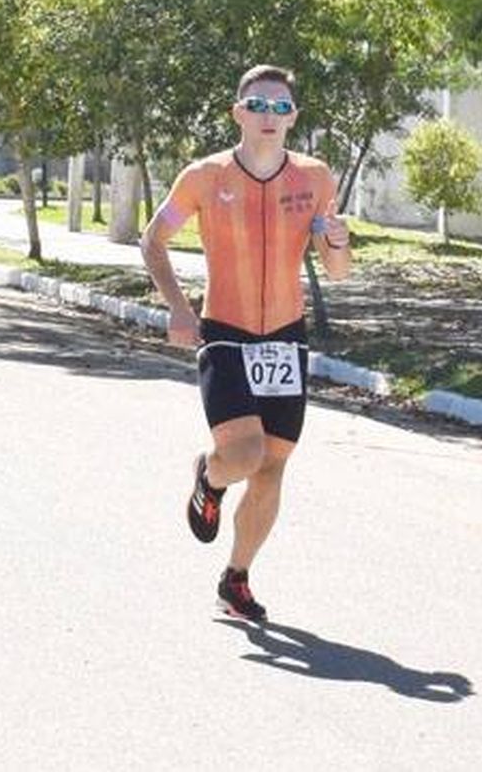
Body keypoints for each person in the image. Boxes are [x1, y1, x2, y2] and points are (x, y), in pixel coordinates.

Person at [140, 63, 352, 622]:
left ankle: (236, 578)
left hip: (286, 338)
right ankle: (208, 479)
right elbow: (153, 240)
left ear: (294, 119)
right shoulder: (205, 176)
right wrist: (179, 309)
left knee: (271, 468)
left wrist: (337, 243)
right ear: (238, 113)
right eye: (258, 106)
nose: (269, 117)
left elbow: (337, 272)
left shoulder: (315, 179)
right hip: (227, 332)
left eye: (281, 108)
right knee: (243, 454)